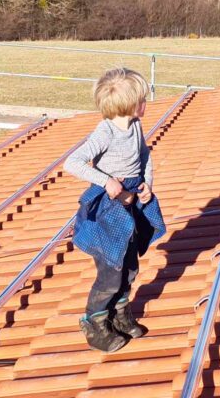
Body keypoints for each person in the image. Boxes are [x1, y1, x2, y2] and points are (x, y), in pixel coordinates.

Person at [63, 68, 166, 353]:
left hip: (132, 198)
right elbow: (72, 163)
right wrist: (106, 180)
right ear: (129, 103)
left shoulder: (135, 126)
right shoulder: (105, 132)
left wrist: (147, 183)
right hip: (109, 208)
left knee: (130, 264)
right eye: (143, 99)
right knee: (111, 270)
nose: (147, 102)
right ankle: (95, 323)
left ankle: (120, 316)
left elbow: (145, 155)